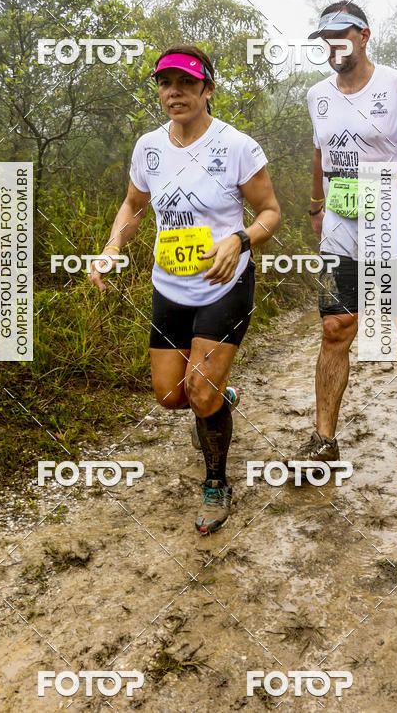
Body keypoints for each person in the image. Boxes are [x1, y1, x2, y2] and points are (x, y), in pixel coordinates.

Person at [89, 44, 281, 533]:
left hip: (225, 285)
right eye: (164, 83)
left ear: (207, 89)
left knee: (199, 392)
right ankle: (220, 396)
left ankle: (216, 486)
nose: (174, 93)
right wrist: (112, 248)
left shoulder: (237, 145)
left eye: (186, 84)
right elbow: (133, 205)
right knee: (170, 396)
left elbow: (270, 214)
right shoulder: (148, 147)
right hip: (168, 286)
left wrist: (240, 241)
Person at [299, 1, 397, 463]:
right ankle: (324, 440)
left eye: (341, 35)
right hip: (341, 231)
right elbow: (321, 152)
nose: (333, 45)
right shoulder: (316, 95)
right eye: (325, 38)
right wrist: (317, 205)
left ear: (364, 34)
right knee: (335, 327)